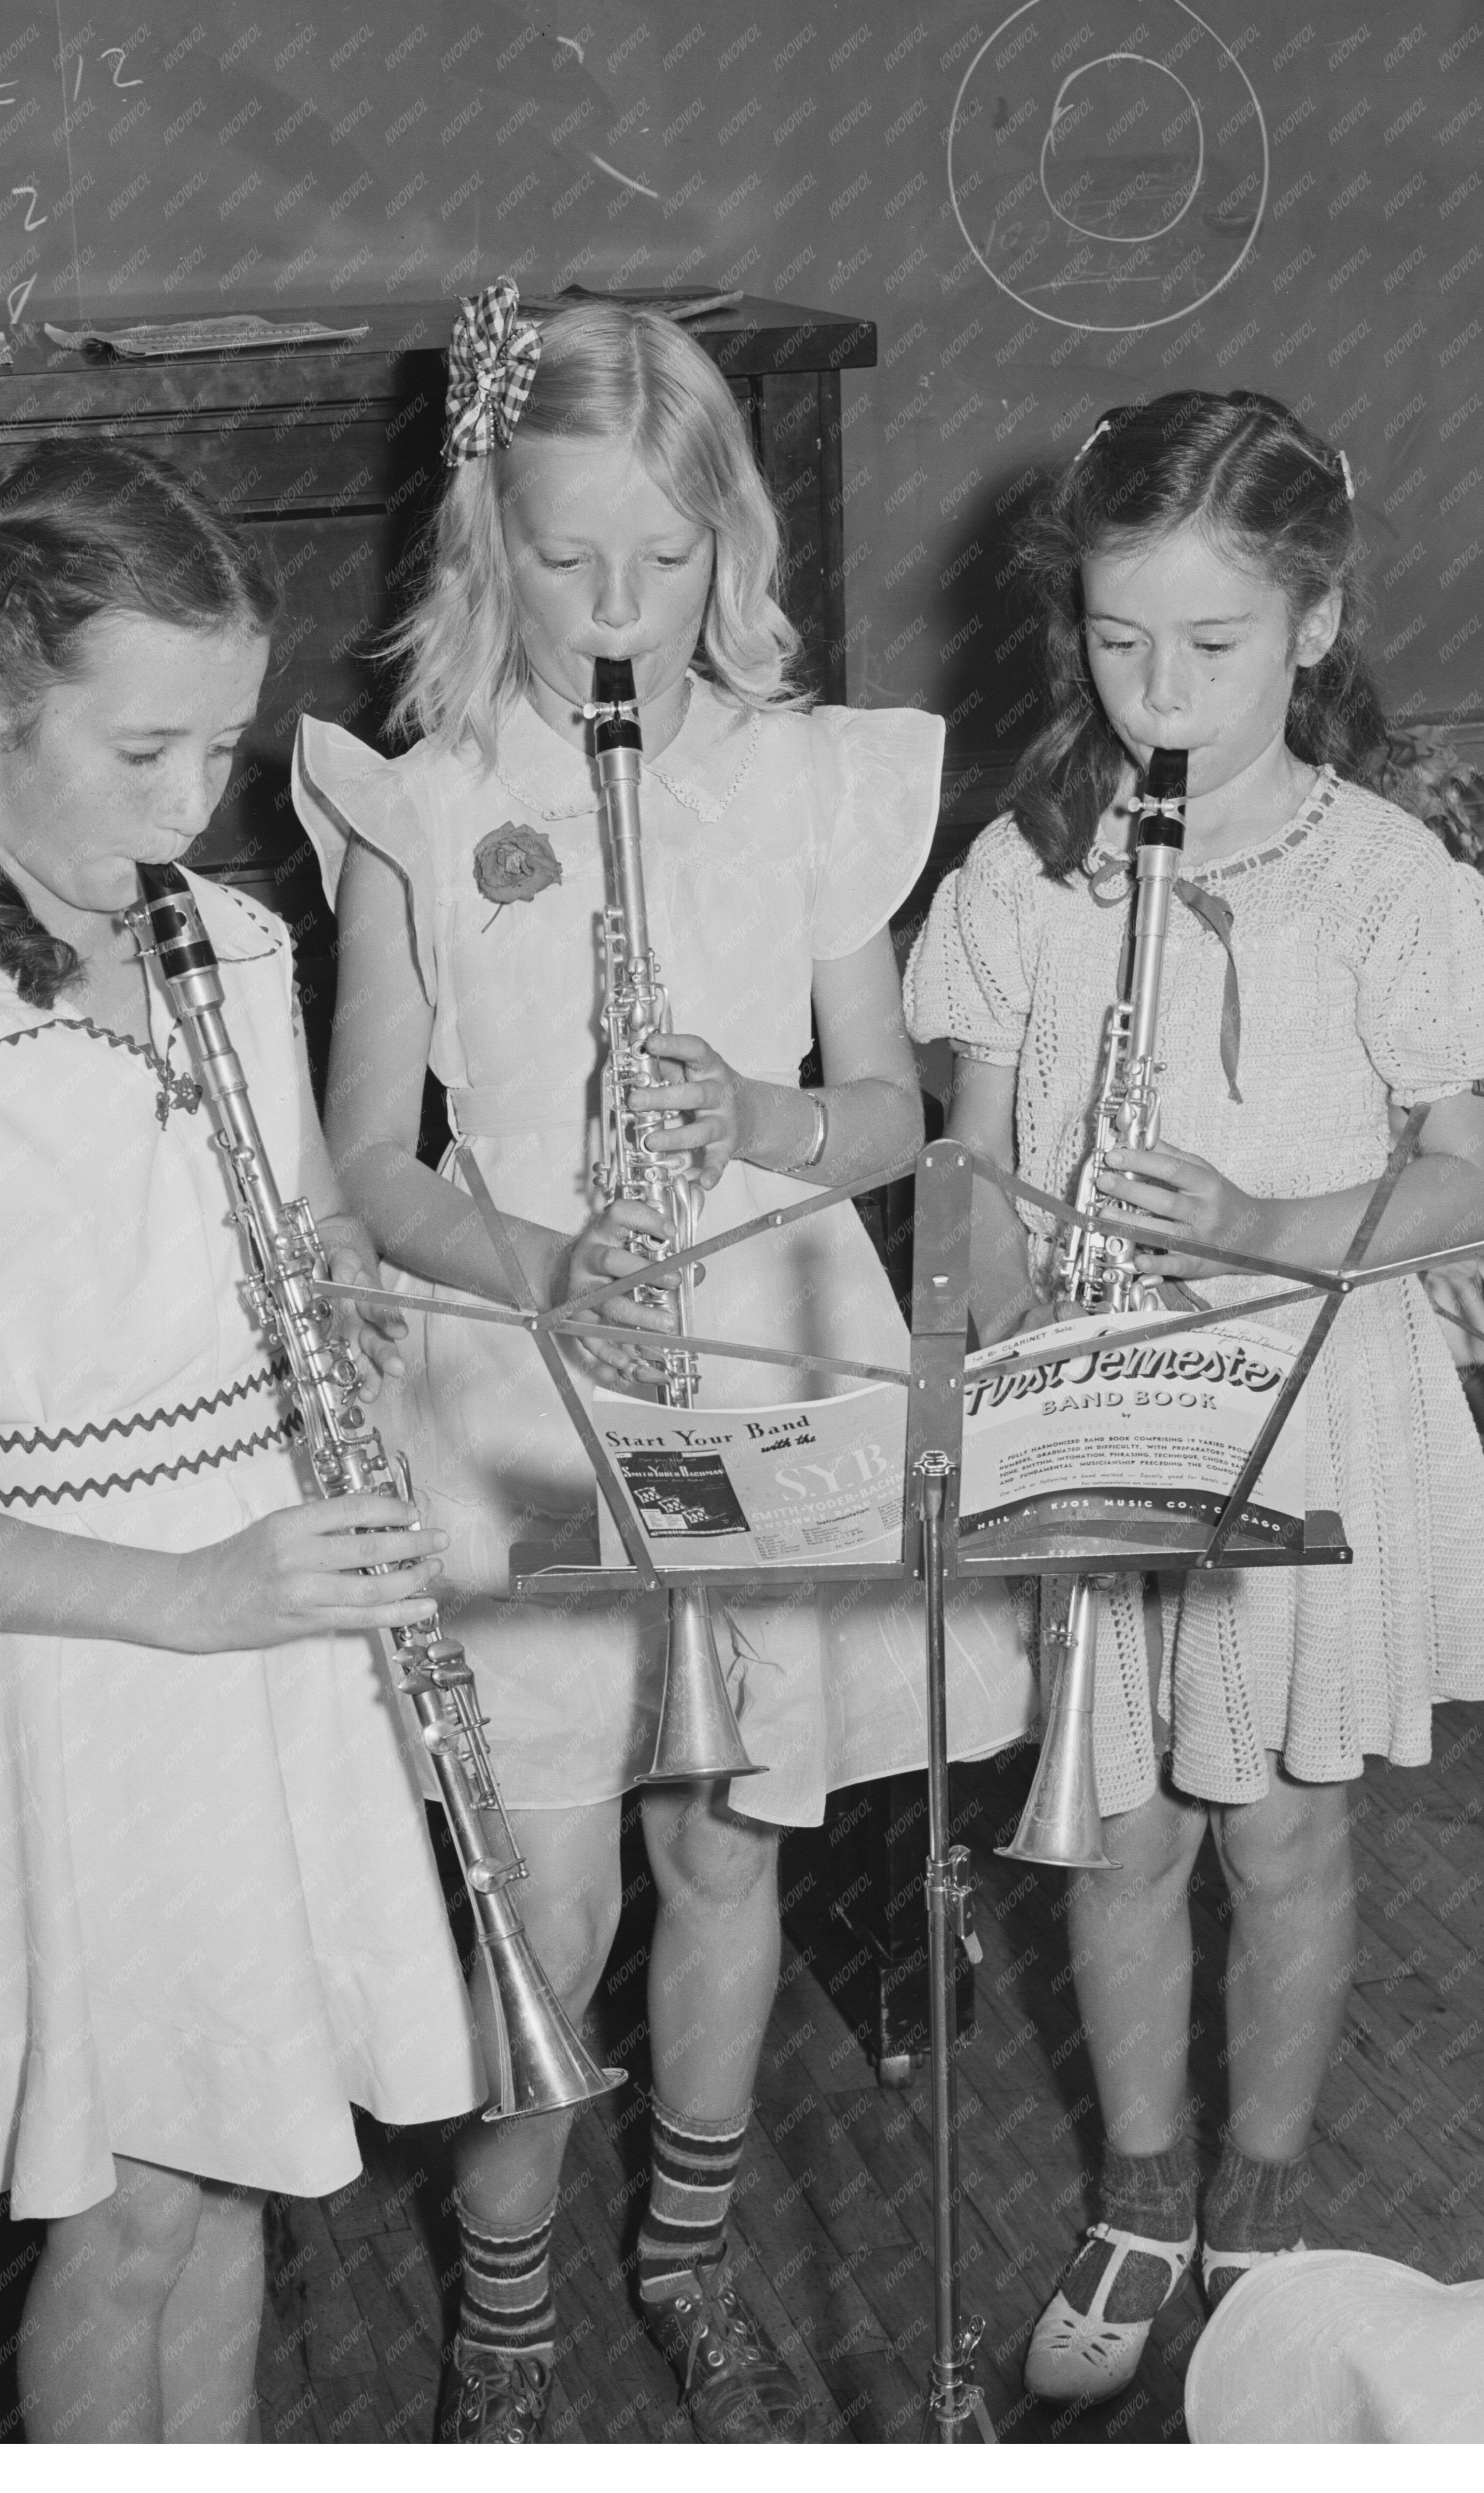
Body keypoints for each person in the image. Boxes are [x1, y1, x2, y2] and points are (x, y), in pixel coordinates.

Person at [294, 284, 1031, 2444]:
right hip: (531, 1353)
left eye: (668, 559)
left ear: (736, 548)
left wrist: (766, 1116)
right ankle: (504, 2299)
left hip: (768, 1333)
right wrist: (537, 1252)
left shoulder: (810, 777)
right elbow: (363, 1161)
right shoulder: (420, 802)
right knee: (551, 1872)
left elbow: (894, 1107)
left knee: (731, 1837)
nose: (620, 612)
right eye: (564, 558)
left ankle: (688, 2255)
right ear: (479, 542)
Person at [0, 437, 487, 2443]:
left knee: (236, 2157)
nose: (192, 813)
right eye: (146, 752)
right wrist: (189, 1595)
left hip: (268, 1620)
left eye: (224, 755)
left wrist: (391, 1379)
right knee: (124, 2213)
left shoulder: (231, 951)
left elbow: (311, 1240)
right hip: (98, 1663)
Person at [903, 388, 1484, 2406]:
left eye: (1215, 646)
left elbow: (1474, 1175)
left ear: (1318, 630)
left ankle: (1259, 2194)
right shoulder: (1031, 867)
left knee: (1279, 1835)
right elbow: (974, 1173)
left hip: (1310, 1409)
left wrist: (1266, 1215)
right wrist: (1003, 1336)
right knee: (1119, 1833)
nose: (1159, 694)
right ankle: (1145, 2184)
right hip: (1109, 1410)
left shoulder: (1385, 875)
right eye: (1116, 641)